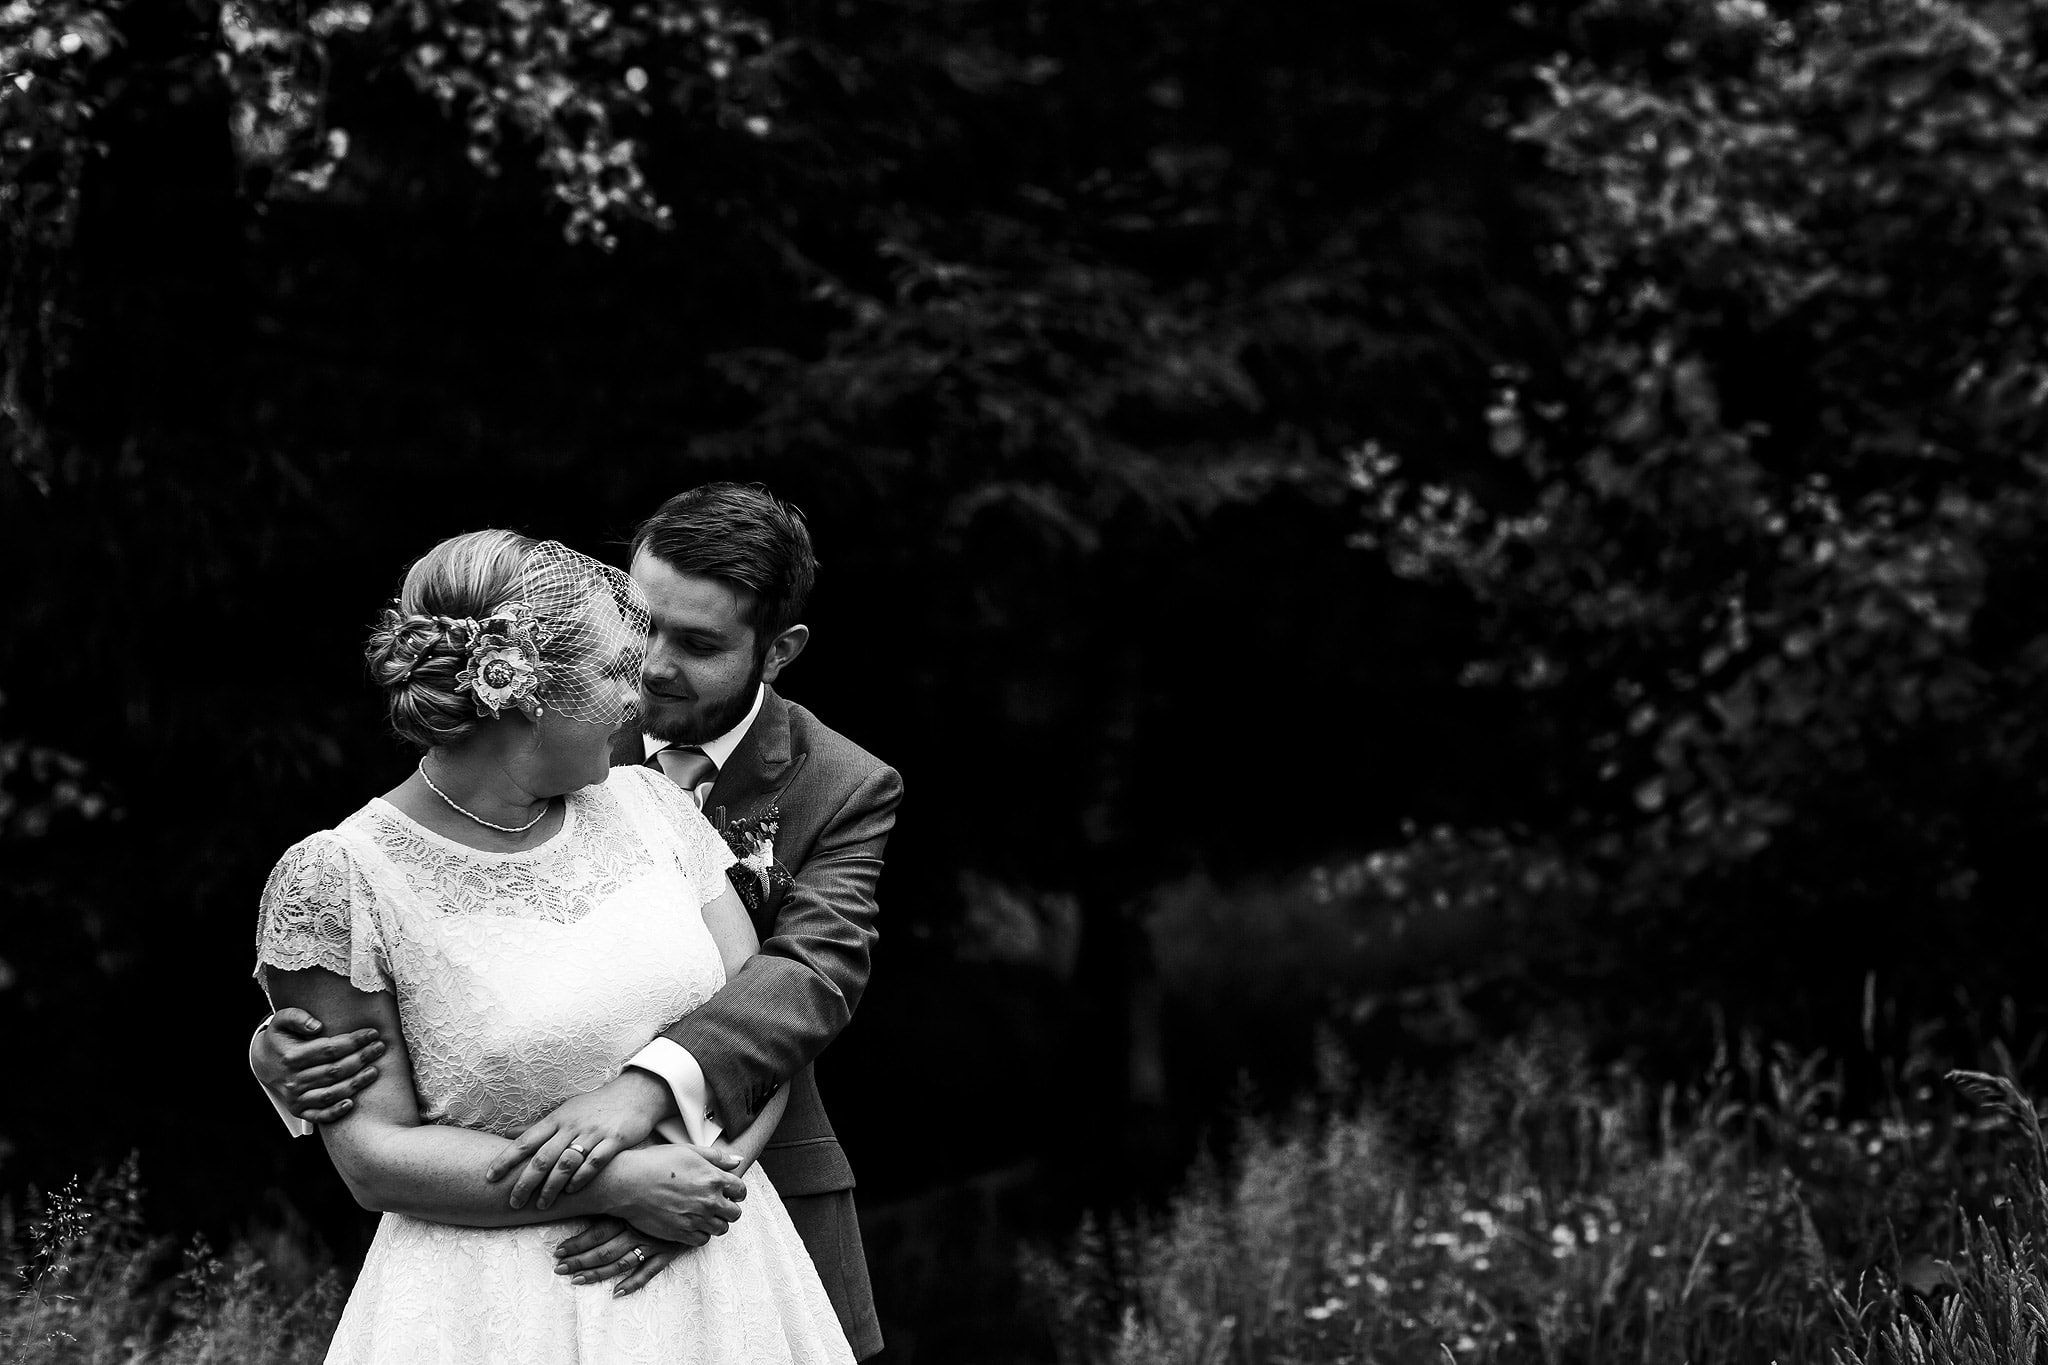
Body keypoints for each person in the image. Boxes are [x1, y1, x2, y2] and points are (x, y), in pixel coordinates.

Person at [253, 487, 899, 1358]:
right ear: (514, 686)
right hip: (497, 1291)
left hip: (739, 1229)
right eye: (633, 644)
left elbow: (798, 984)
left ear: (776, 652)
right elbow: (407, 968)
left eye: (699, 644)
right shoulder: (471, 783)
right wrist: (284, 1042)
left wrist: (682, 1149)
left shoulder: (819, 786)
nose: (648, 681)